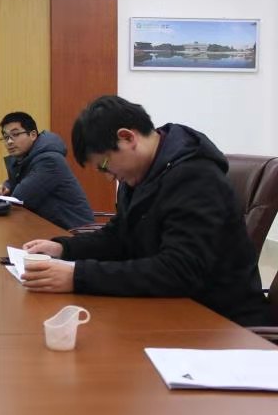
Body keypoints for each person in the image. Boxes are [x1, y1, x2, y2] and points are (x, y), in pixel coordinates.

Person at [22, 95, 269, 326]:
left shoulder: (196, 177)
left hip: (220, 323)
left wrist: (78, 276)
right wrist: (64, 248)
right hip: (172, 308)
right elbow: (119, 237)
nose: (109, 177)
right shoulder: (141, 174)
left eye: (105, 165)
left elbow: (179, 271)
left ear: (127, 138)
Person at [0, 111, 94, 230]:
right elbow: (17, 181)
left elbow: (20, 199)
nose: (9, 142)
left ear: (33, 135)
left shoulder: (49, 161)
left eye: (15, 134)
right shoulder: (25, 158)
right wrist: (7, 187)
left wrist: (9, 193)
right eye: (6, 137)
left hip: (73, 232)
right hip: (48, 227)